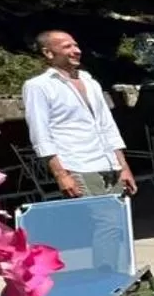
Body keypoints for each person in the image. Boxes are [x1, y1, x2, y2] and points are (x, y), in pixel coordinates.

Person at [21, 29, 138, 199]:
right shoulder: (38, 86)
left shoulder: (90, 82)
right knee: (95, 221)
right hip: (78, 167)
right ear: (48, 53)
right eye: (67, 46)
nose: (76, 50)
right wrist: (62, 175)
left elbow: (107, 126)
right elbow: (41, 135)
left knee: (117, 221)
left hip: (110, 165)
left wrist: (124, 167)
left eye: (76, 45)